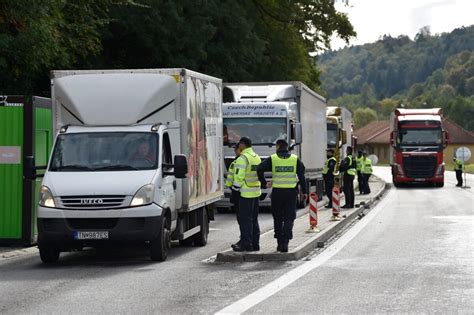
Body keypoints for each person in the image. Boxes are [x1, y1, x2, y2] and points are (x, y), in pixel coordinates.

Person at [257, 139, 307, 252]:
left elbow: (259, 168)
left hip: (277, 193)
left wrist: (264, 183)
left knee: (278, 218)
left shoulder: (273, 158)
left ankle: (279, 241)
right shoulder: (295, 159)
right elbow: (302, 176)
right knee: (289, 217)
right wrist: (304, 191)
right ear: (287, 147)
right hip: (291, 194)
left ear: (278, 146)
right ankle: (286, 241)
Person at [231, 137, 262, 252]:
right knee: (254, 219)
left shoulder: (242, 158)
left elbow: (239, 177)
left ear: (243, 145)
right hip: (255, 192)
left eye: (239, 144)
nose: (238, 146)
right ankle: (255, 243)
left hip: (245, 194)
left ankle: (246, 244)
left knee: (245, 221)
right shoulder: (256, 157)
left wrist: (234, 191)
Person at [225, 145, 242, 249]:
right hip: (248, 194)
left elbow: (237, 179)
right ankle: (251, 241)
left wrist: (234, 191)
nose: (235, 152)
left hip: (240, 194)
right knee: (248, 220)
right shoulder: (253, 158)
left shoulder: (239, 161)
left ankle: (245, 241)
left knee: (243, 220)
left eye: (236, 150)